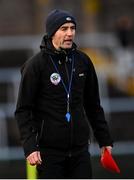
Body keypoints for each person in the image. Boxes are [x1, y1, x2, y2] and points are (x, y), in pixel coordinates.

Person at [15, 9, 113, 179]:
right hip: (49, 154)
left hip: (80, 151)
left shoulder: (83, 61)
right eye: (64, 28)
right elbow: (23, 110)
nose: (70, 33)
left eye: (72, 28)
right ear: (52, 32)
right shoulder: (35, 65)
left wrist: (104, 140)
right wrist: (30, 147)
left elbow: (93, 105)